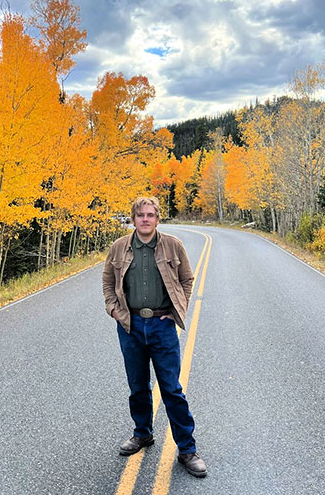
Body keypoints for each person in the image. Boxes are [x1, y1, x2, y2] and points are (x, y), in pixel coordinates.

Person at [102, 196, 207, 478]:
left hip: (162, 326)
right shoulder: (119, 248)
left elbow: (187, 279)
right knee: (138, 386)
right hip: (130, 326)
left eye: (150, 215)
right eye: (140, 215)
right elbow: (108, 281)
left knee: (171, 389)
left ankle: (187, 449)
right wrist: (113, 309)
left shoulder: (173, 245)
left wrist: (176, 311)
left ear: (157, 218)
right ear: (133, 219)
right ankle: (142, 434)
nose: (145, 219)